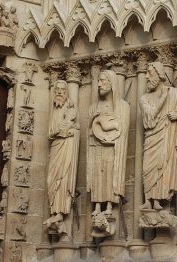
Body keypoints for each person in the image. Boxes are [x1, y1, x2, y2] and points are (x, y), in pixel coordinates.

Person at [139, 61, 177, 210]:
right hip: (152, 137)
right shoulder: (144, 99)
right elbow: (150, 115)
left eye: (150, 73)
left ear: (160, 75)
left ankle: (158, 199)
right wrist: (162, 98)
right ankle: (148, 199)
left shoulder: (175, 94)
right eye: (146, 73)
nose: (146, 77)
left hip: (167, 136)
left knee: (163, 164)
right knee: (148, 166)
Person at [87, 70, 130, 215]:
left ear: (112, 84)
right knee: (97, 174)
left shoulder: (123, 107)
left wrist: (111, 139)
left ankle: (110, 205)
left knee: (110, 173)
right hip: (96, 147)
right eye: (98, 80)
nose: (99, 84)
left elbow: (122, 131)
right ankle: (98, 205)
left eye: (103, 81)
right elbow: (89, 131)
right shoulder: (93, 107)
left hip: (112, 148)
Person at [44, 80, 80, 227]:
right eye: (56, 90)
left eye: (62, 90)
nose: (59, 92)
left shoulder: (71, 110)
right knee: (51, 180)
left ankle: (60, 213)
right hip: (56, 147)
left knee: (63, 178)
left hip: (66, 148)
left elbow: (75, 129)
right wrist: (60, 131)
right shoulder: (54, 111)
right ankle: (53, 211)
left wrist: (70, 131)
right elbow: (50, 133)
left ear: (66, 93)